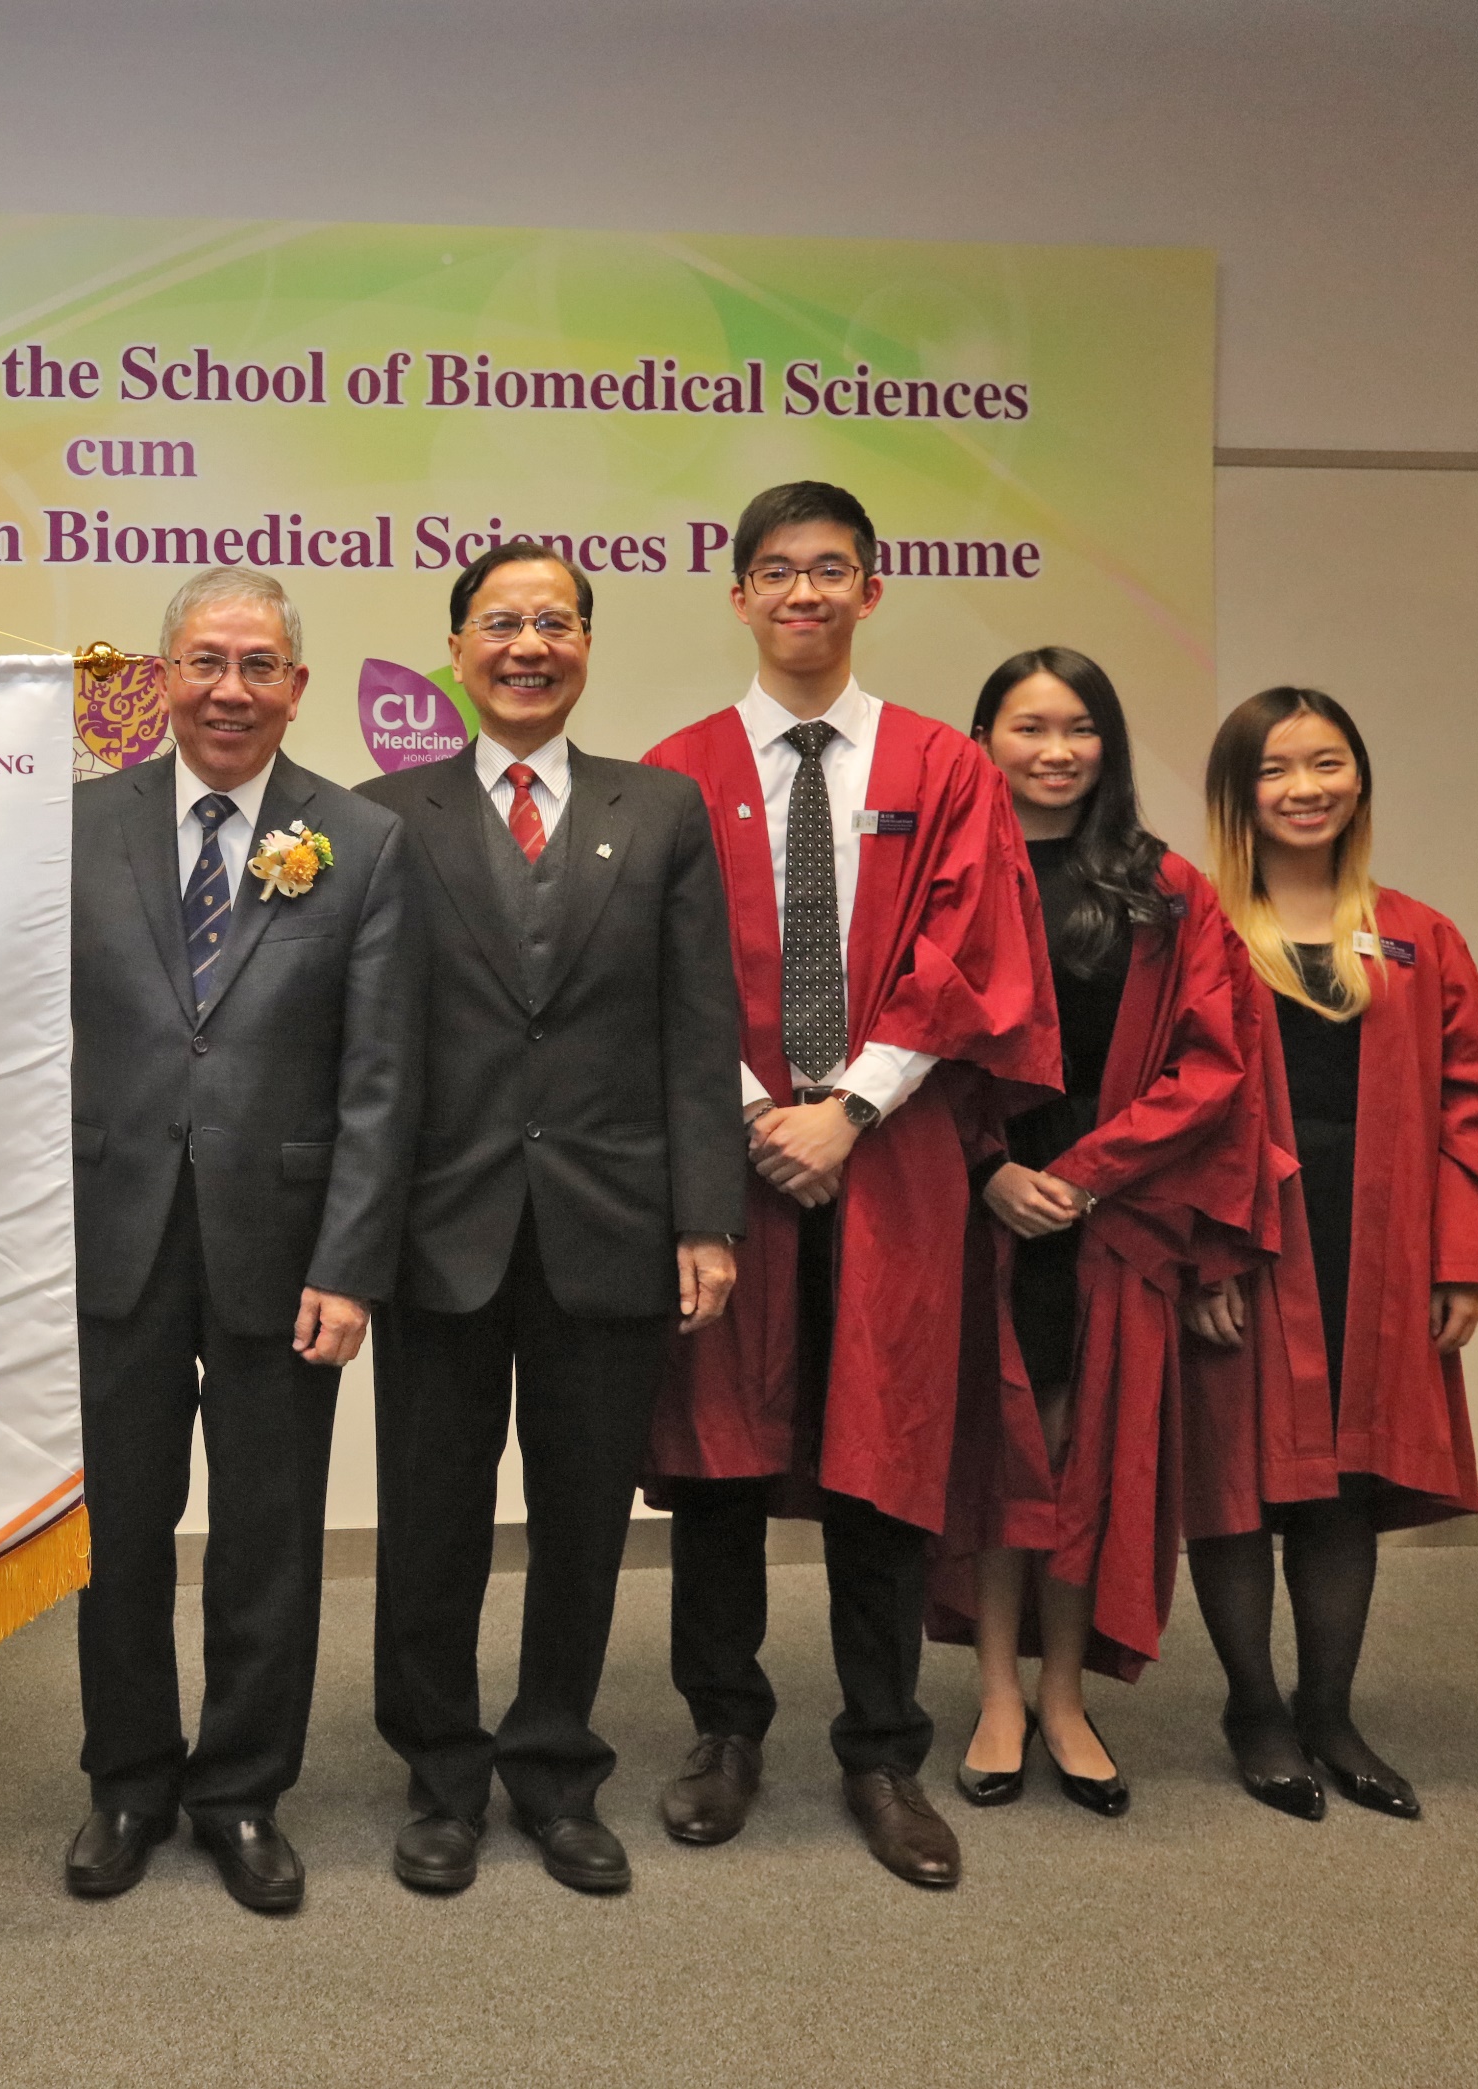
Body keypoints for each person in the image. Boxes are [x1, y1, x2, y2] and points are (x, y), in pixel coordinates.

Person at [639, 482, 1054, 1889]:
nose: (801, 594)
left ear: (872, 591)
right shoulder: (677, 768)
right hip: (730, 1154)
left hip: (897, 1160)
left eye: (829, 571)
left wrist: (851, 1107)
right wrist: (764, 1111)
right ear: (737, 593)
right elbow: (658, 971)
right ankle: (724, 1729)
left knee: (888, 1453)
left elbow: (970, 952)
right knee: (718, 1460)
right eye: (774, 571)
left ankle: (882, 1749)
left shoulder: (944, 767)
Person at [355, 541, 743, 1897]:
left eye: (557, 622)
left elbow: (701, 1030)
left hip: (614, 1225)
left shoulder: (663, 810)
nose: (530, 644)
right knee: (432, 1519)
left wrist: (710, 1218)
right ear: (457, 648)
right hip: (438, 1230)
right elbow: (365, 1047)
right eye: (502, 623)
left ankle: (557, 1767)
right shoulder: (380, 814)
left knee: (584, 1517)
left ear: (588, 646)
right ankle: (443, 1775)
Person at [62, 564, 421, 1914]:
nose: (230, 687)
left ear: (297, 686)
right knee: (119, 1530)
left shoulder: (363, 840)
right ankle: (129, 1780)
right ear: (160, 677)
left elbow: (382, 1076)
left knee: (269, 1534)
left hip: (289, 1253)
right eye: (205, 660)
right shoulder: (75, 828)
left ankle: (242, 1791)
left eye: (258, 663)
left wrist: (352, 1261)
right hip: (112, 1237)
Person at [1179, 687, 1478, 1820]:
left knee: (1343, 1484)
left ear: (1360, 778)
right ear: (1239, 792)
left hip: (1375, 1241)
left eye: (1328, 763)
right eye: (1277, 769)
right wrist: (1200, 1253)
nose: (1306, 788)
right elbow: (1165, 1101)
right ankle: (1254, 1709)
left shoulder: (1419, 936)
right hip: (1247, 1242)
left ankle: (1328, 1708)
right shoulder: (1196, 928)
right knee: (1236, 1486)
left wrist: (1461, 1258)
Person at [928, 649, 1267, 1817]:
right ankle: (997, 1696)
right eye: (1028, 727)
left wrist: (1079, 1175)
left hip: (1110, 1211)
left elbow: (1212, 1067)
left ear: (1109, 747)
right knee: (997, 1452)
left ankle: (1064, 1694)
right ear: (983, 739)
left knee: (1085, 1456)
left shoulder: (1168, 889)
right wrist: (990, 1174)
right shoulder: (949, 876)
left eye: (1079, 728)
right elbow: (918, 1049)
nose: (1056, 750)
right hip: (983, 1210)